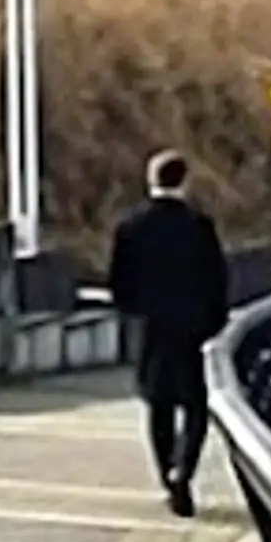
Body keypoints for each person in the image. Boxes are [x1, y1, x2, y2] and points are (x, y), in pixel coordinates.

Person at [106, 148, 233, 514]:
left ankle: (167, 474)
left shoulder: (130, 228)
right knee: (195, 405)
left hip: (151, 328)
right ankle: (185, 469)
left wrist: (133, 311)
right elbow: (217, 279)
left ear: (152, 180)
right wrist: (215, 322)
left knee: (158, 404)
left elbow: (119, 282)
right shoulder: (199, 226)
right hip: (193, 328)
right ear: (185, 182)